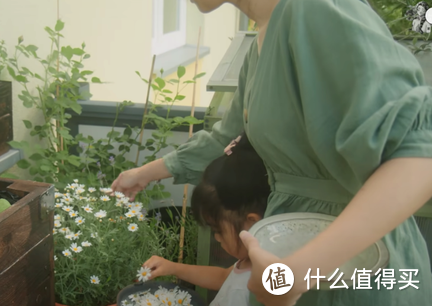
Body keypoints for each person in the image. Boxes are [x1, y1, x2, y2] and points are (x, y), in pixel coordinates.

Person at [111, 0, 432, 305]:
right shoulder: (262, 43)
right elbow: (228, 138)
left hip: (349, 267)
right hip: (292, 252)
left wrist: (300, 270)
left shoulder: (314, 9)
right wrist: (142, 174)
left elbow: (420, 154)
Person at [142, 132, 269, 306]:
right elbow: (223, 277)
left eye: (218, 230)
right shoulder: (247, 263)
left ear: (252, 223)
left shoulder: (258, 286)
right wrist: (173, 267)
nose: (216, 237)